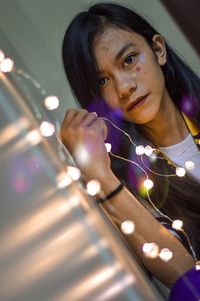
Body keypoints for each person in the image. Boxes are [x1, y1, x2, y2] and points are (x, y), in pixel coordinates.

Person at [60, 2, 200, 288]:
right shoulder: (134, 189)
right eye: (102, 81)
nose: (124, 87)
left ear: (158, 50)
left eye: (128, 60)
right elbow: (187, 279)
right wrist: (98, 175)